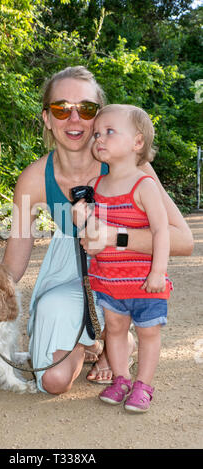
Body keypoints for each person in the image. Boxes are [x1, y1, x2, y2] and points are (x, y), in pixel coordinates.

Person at [0, 66, 193, 395]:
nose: (75, 119)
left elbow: (183, 240)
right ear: (47, 119)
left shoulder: (131, 165)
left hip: (123, 273)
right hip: (70, 274)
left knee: (115, 310)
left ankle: (116, 337)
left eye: (87, 109)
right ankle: (93, 343)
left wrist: (113, 237)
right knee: (52, 381)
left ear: (100, 116)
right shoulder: (34, 179)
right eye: (61, 109)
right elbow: (12, 267)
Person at [73, 104, 172, 412]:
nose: (99, 139)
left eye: (110, 132)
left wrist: (159, 272)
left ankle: (143, 385)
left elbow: (161, 231)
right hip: (109, 280)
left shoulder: (145, 185)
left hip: (144, 281)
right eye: (97, 134)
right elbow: (91, 236)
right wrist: (80, 219)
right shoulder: (95, 188)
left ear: (137, 143)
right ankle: (121, 378)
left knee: (147, 332)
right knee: (114, 330)